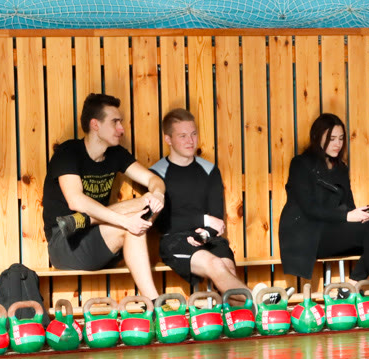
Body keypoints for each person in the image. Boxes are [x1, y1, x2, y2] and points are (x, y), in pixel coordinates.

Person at [43, 93, 166, 299]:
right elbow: (76, 200)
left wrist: (159, 194)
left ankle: (154, 305)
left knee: (147, 201)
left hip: (96, 236)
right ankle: (155, 303)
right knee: (133, 224)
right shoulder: (68, 152)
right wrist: (125, 221)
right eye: (115, 122)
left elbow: (154, 180)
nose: (122, 129)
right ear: (95, 125)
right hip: (66, 242)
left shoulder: (116, 154)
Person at [278, 114, 369, 286]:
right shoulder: (301, 164)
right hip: (307, 235)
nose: (337, 144)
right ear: (317, 138)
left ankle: (353, 283)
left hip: (333, 230)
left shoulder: (340, 168)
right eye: (331, 139)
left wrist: (365, 215)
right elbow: (309, 208)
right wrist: (347, 217)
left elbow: (349, 206)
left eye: (340, 139)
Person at [150, 109, 246, 294]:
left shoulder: (209, 170)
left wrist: (206, 232)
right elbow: (162, 223)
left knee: (228, 268)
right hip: (174, 239)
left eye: (193, 134)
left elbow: (216, 220)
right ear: (168, 139)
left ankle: (244, 316)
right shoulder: (156, 173)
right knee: (216, 265)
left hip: (208, 236)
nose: (190, 141)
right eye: (183, 136)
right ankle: (260, 305)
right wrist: (203, 220)